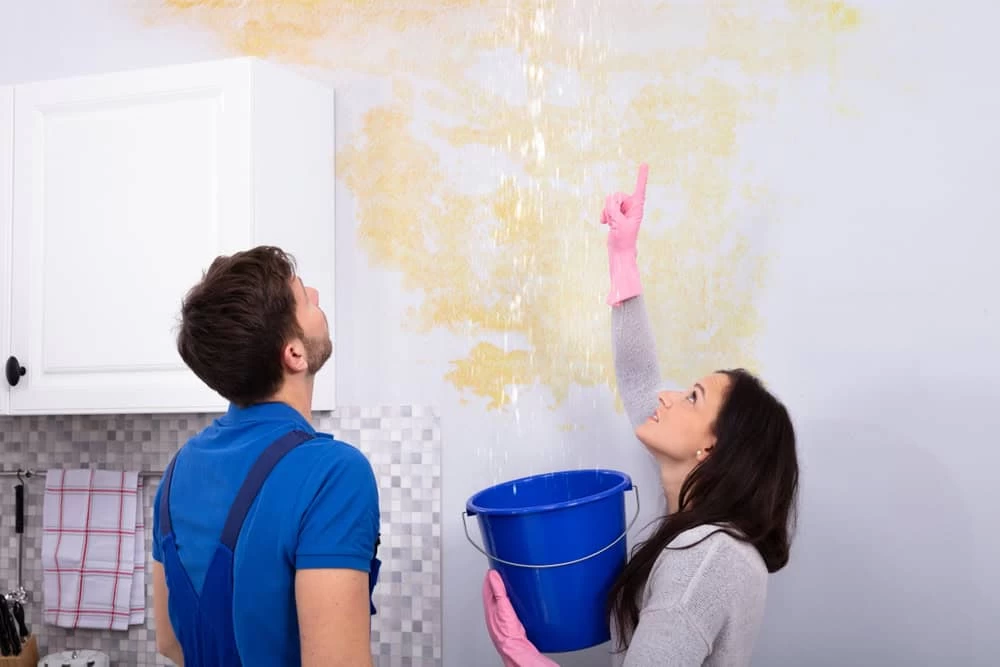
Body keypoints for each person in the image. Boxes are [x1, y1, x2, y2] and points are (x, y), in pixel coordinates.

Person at [482, 165, 799, 666]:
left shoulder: (704, 556)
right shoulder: (705, 537)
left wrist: (521, 655)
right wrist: (622, 257)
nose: (667, 396)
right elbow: (638, 378)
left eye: (693, 397)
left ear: (713, 447)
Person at [151, 246, 381, 667]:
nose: (314, 293)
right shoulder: (334, 475)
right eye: (304, 298)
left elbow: (168, 641)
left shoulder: (177, 471)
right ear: (293, 354)